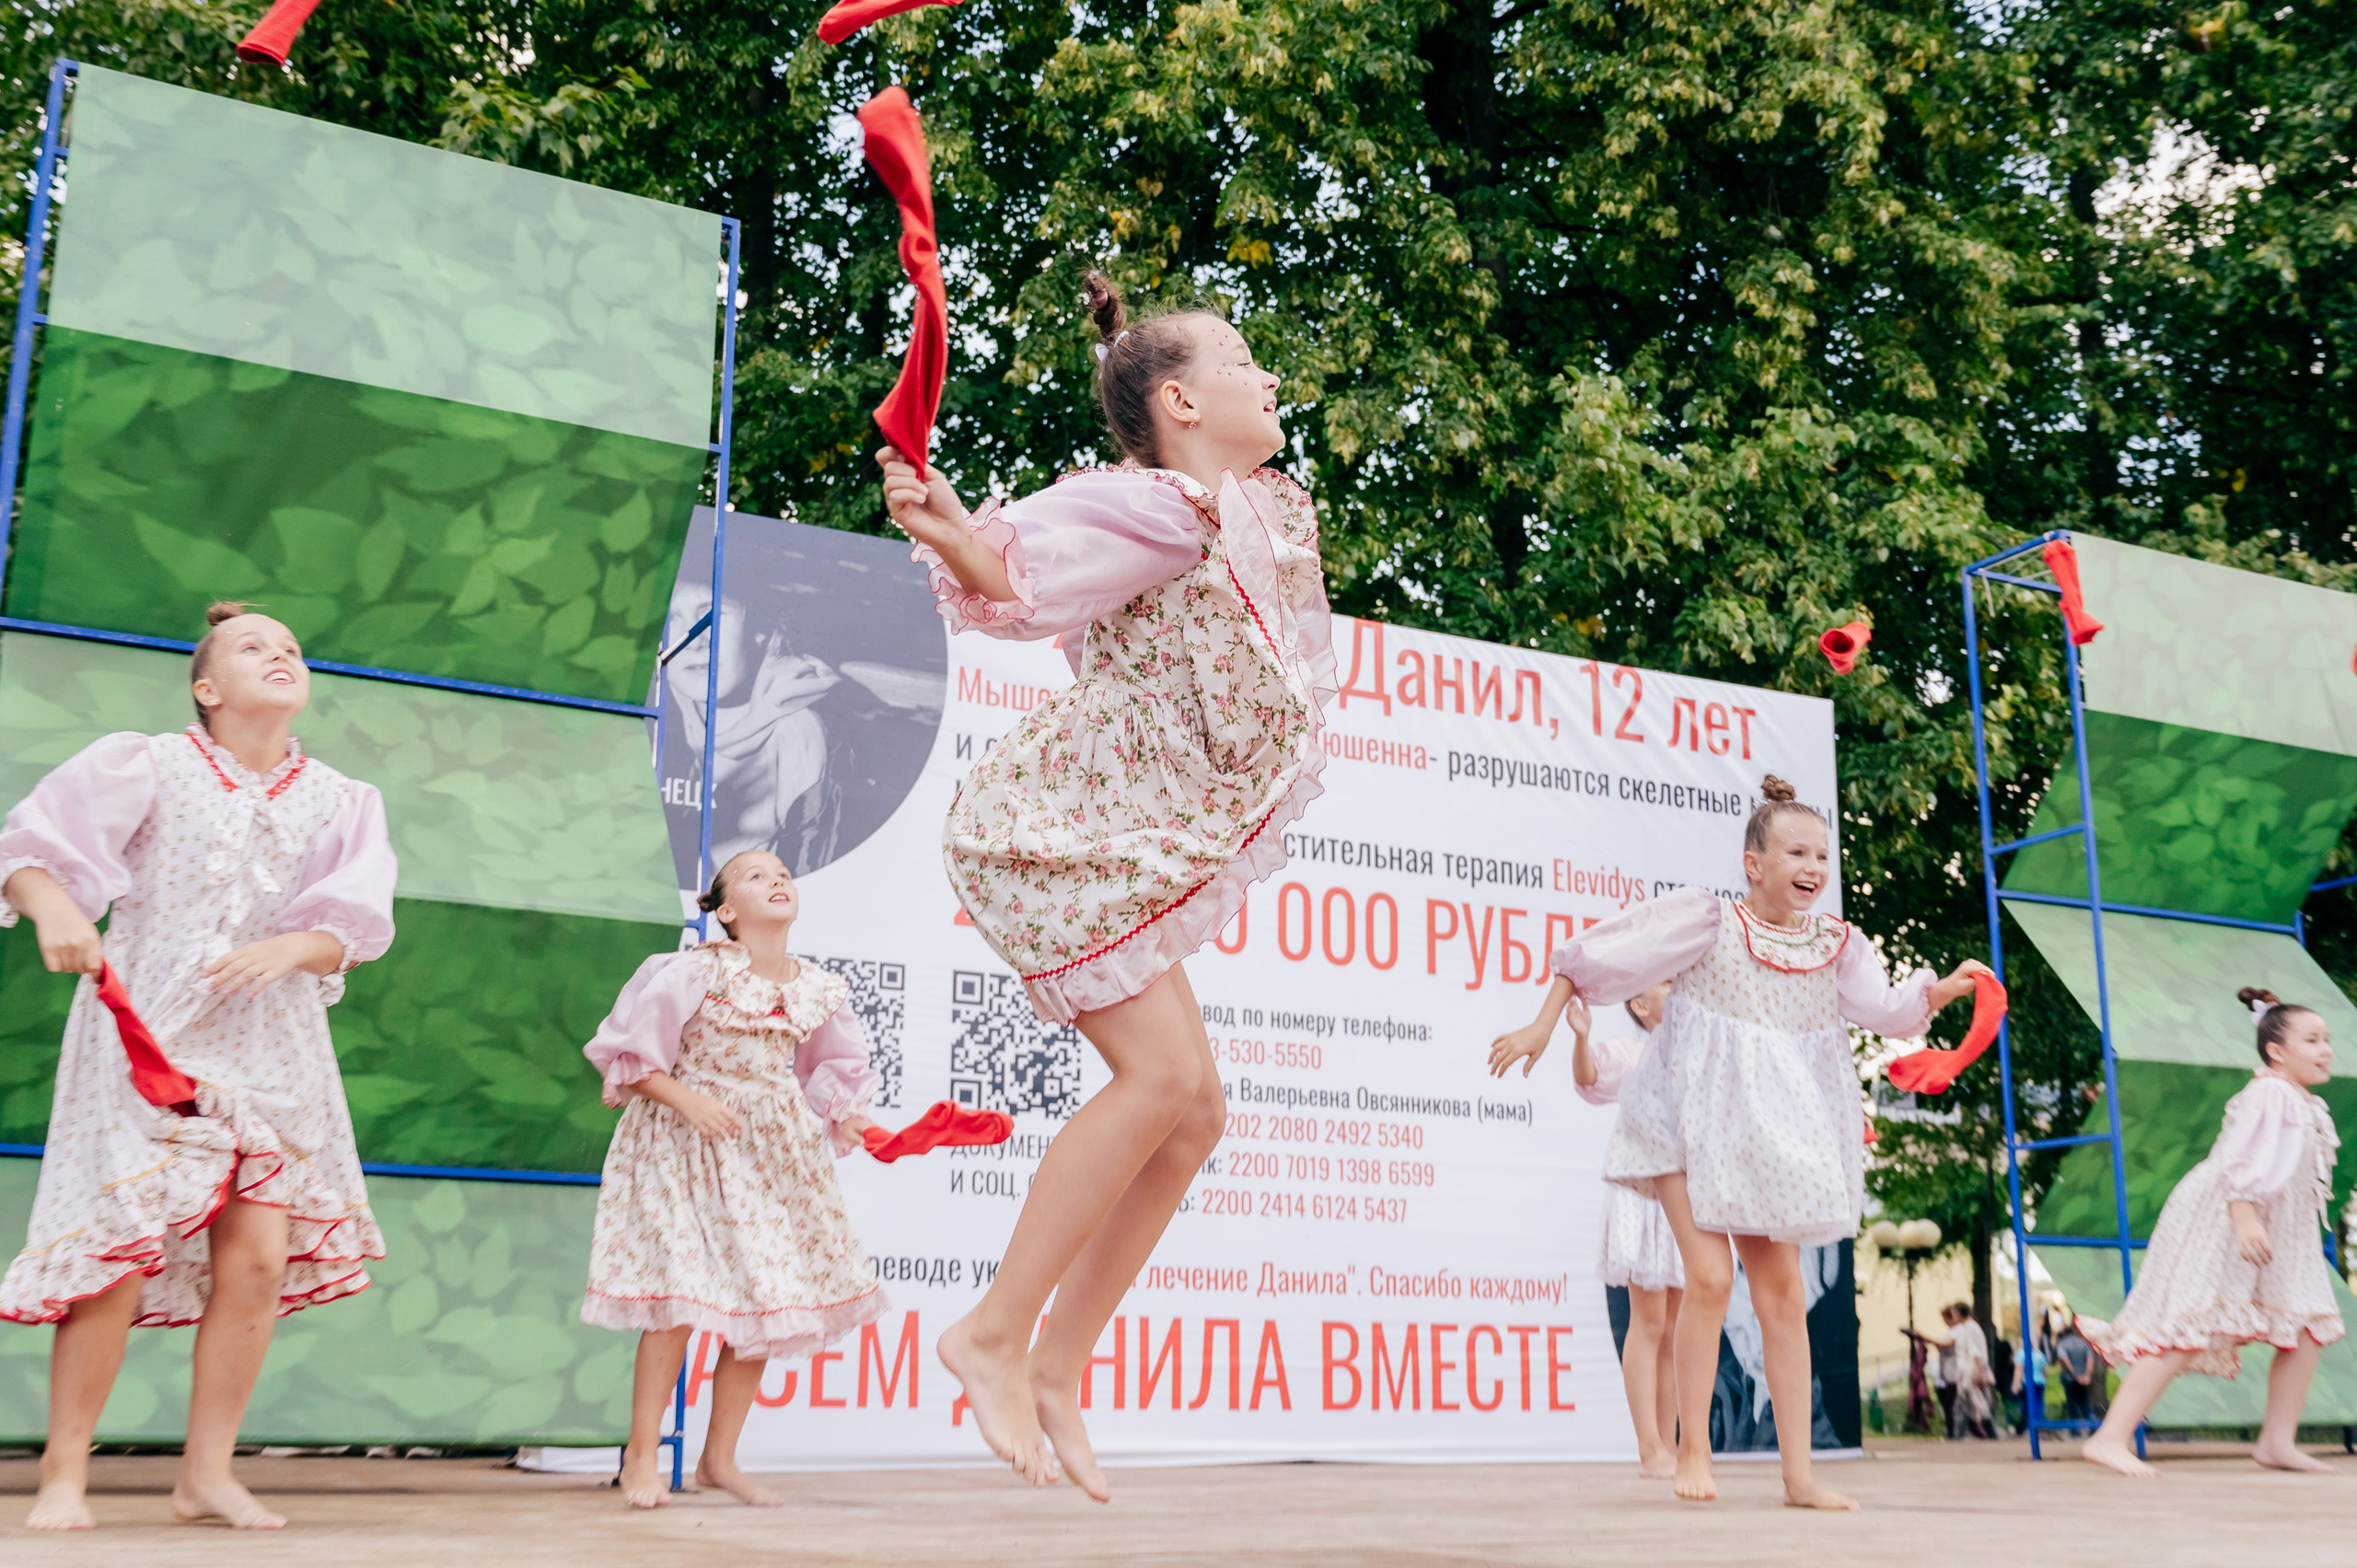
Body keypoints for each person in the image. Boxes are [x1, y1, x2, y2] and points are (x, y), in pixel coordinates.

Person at [877, 272, 1331, 1500]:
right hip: (1062, 824)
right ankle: (990, 1331)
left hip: (1117, 828)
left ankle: (1059, 1359)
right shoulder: (1155, 501)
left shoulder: (1235, 512)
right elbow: (1021, 570)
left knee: (1194, 1111)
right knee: (1167, 1080)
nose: (1268, 377)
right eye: (1244, 363)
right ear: (1182, 401)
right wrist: (957, 529)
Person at [0, 603, 398, 1531]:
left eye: (291, 648)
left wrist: (297, 946)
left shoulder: (342, 796)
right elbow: (29, 851)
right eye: (254, 646)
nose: (281, 656)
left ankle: (206, 1472)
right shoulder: (147, 762)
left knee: (257, 1259)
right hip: (152, 1033)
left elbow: (353, 925)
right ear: (207, 687)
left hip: (272, 1041)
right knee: (118, 1251)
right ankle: (65, 1470)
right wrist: (56, 908)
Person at [1492, 777, 1986, 1508]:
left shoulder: (1835, 944)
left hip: (1764, 1131)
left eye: (1821, 853)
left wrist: (1936, 991)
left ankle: (1800, 1475)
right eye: (1796, 851)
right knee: (1712, 1278)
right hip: (1681, 1118)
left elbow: (1884, 1009)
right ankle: (1692, 1450)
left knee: (1783, 1293)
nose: (1813, 865)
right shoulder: (1707, 921)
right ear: (1754, 862)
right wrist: (1541, 1025)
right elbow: (1600, 955)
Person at [580, 850, 888, 1509]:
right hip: (685, 1145)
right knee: (678, 1296)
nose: (776, 880)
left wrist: (856, 1122)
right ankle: (642, 1454)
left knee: (766, 1302)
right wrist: (690, 1100)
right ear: (725, 910)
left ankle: (720, 1458)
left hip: (771, 1153)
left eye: (782, 872)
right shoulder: (692, 973)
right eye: (754, 875)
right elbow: (633, 1062)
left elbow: (829, 1072)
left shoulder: (815, 988)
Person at [2079, 987, 2345, 1478]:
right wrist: (2244, 1218)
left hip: (2282, 1230)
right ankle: (2110, 1437)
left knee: (2308, 1326)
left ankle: (2276, 1441)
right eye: (2312, 1040)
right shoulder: (2269, 1093)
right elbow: (2239, 1160)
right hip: (2229, 1216)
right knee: (2190, 1326)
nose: (2325, 1049)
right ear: (2276, 1052)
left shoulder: (2303, 1102)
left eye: (2326, 1039)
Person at [1491, 981, 1699, 1477]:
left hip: (1683, 1202)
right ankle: (1648, 1447)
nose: (1674, 990)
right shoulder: (1631, 1053)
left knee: (1674, 1329)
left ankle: (1670, 1446)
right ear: (1640, 1004)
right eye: (1665, 984)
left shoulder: (1696, 1055)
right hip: (1639, 1194)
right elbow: (1588, 1079)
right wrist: (1581, 1037)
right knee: (1647, 1322)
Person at [2053, 1311, 2102, 1425]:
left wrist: (2075, 1375)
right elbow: (2090, 1359)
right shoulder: (2084, 1343)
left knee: (2072, 1402)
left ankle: (2075, 1428)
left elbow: (2065, 1361)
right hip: (2084, 1377)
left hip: (2069, 1378)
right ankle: (2090, 1426)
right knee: (2084, 1401)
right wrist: (2086, 1375)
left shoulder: (2062, 1344)